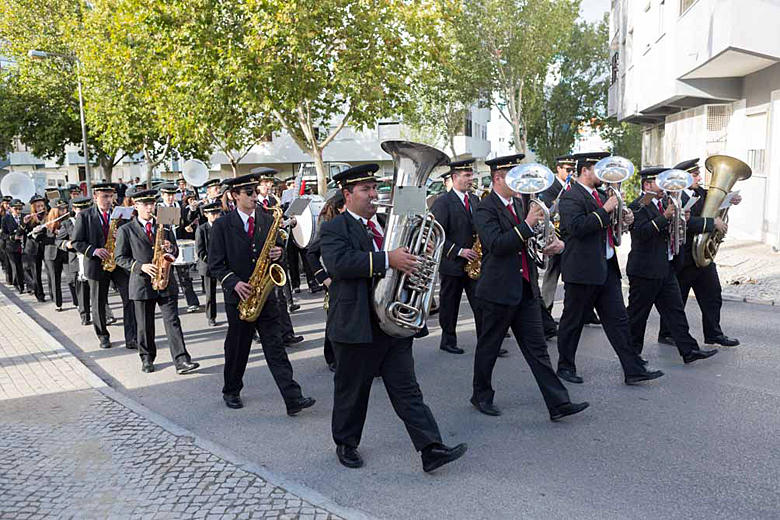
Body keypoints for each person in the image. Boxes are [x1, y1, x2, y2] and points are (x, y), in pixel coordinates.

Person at [320, 163, 467, 472]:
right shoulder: (335, 227)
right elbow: (339, 264)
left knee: (407, 390)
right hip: (356, 324)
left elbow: (408, 261)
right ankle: (346, 443)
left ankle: (431, 448)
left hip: (392, 323)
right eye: (366, 190)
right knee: (352, 391)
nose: (374, 194)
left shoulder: (388, 223)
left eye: (375, 188)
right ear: (347, 194)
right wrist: (388, 258)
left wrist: (420, 252)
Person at [471, 154, 589, 421]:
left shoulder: (521, 202)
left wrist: (554, 242)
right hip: (498, 290)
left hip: (525, 288)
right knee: (489, 347)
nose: (520, 182)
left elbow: (537, 235)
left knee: (538, 350)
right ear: (498, 177)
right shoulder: (485, 207)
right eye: (513, 176)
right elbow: (497, 245)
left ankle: (558, 403)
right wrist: (526, 225)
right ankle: (480, 395)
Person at [208, 172, 314, 414]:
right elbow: (215, 264)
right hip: (240, 298)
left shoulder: (267, 219)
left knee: (275, 348)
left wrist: (279, 253)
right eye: (249, 193)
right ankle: (231, 390)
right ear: (234, 195)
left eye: (256, 191)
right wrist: (233, 283)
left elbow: (278, 253)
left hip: (265, 296)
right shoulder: (223, 225)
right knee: (238, 348)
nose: (255, 196)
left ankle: (292, 398)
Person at [555, 152, 664, 385]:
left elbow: (609, 226)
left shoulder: (602, 194)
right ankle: (565, 366)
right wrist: (605, 210)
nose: (604, 174)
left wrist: (625, 219)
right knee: (572, 322)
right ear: (585, 170)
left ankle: (633, 369)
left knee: (619, 321)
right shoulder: (570, 196)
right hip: (582, 270)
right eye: (599, 169)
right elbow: (576, 228)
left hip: (606, 267)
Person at [626, 167, 719, 364]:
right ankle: (632, 357)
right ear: (647, 185)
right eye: (660, 182)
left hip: (665, 267)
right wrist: (666, 217)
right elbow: (642, 233)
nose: (665, 186)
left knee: (675, 311)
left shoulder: (666, 203)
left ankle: (689, 350)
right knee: (637, 317)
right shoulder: (638, 206)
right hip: (645, 271)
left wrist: (681, 219)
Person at [114, 188, 200, 374]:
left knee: (173, 321)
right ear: (136, 206)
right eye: (145, 204)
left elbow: (175, 252)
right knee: (145, 325)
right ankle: (147, 358)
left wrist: (171, 250)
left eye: (152, 203)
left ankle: (182, 360)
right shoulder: (125, 230)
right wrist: (140, 266)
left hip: (166, 280)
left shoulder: (165, 224)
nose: (150, 207)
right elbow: (119, 257)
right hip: (141, 283)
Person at [657, 158, 741, 347]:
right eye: (695, 175)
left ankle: (713, 334)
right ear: (684, 177)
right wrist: (711, 224)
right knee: (677, 299)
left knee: (713, 295)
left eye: (698, 174)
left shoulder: (702, 193)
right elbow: (682, 222)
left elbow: (718, 207)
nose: (700, 177)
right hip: (683, 256)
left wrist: (731, 200)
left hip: (702, 256)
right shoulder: (672, 196)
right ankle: (666, 333)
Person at [72, 182, 138, 350]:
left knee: (129, 298)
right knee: (99, 302)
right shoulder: (85, 216)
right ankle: (103, 335)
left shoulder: (120, 214)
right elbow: (76, 242)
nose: (109, 200)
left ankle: (131, 337)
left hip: (118, 263)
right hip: (97, 264)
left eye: (111, 196)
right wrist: (94, 251)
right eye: (105, 197)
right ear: (95, 197)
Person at [430, 159, 484, 355]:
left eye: (471, 175)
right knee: (449, 304)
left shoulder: (476, 200)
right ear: (454, 178)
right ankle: (448, 340)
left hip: (473, 263)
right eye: (467, 175)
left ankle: (486, 341)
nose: (471, 179)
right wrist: (459, 251)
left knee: (481, 303)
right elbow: (436, 235)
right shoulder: (442, 202)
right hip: (452, 262)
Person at [306, 191, 346, 372]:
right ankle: (332, 357)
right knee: (334, 320)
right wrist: (324, 278)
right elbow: (311, 254)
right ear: (341, 207)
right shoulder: (330, 227)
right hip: (334, 282)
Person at [158, 184, 201, 312]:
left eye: (172, 195)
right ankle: (168, 304)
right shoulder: (158, 209)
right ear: (162, 196)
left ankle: (192, 302)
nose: (170, 198)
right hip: (165, 247)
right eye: (167, 195)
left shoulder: (180, 207)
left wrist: (192, 210)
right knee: (167, 275)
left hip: (179, 244)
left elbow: (188, 221)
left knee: (185, 276)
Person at [57, 196, 92, 324]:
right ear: (74, 209)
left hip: (92, 259)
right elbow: (58, 241)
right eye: (79, 208)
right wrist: (67, 244)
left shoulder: (93, 220)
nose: (82, 211)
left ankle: (106, 314)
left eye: (85, 208)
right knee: (81, 291)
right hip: (77, 261)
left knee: (97, 290)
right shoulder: (67, 223)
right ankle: (85, 316)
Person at [195, 201, 222, 327]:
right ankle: (211, 316)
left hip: (222, 264)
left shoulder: (222, 227)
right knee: (210, 293)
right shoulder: (202, 229)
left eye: (217, 213)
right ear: (206, 214)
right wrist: (211, 262)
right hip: (208, 265)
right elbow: (200, 251)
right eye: (213, 214)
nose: (216, 216)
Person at [42, 201, 70, 311]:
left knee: (71, 278)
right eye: (62, 209)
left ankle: (78, 302)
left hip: (65, 252)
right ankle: (58, 303)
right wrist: (55, 236)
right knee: (54, 279)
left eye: (65, 209)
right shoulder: (46, 222)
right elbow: (41, 239)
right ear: (55, 211)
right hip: (51, 254)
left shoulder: (67, 221)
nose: (65, 211)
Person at [21, 195, 48, 301]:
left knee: (51, 272)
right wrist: (24, 224)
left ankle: (54, 293)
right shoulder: (28, 218)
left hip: (45, 247)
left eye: (42, 205)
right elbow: (20, 233)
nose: (41, 208)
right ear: (33, 207)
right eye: (38, 206)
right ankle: (39, 294)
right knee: (36, 273)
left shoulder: (47, 216)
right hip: (33, 249)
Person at [2, 199, 26, 293]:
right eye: (16, 209)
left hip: (24, 245)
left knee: (24, 266)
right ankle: (18, 284)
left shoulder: (24, 217)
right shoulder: (6, 219)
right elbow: (3, 234)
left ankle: (27, 283)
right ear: (11, 209)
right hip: (11, 246)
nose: (18, 211)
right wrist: (12, 237)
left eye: (20, 208)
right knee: (15, 266)